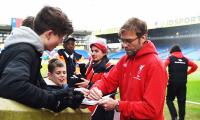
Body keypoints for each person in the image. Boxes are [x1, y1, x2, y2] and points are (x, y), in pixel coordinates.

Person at [0, 6, 85, 112]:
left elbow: (37, 88)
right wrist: (54, 101)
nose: (60, 43)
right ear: (49, 34)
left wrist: (65, 96)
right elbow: (12, 85)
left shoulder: (31, 50)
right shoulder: (24, 50)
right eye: (61, 38)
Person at [87, 17, 168, 120]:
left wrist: (118, 105)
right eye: (123, 40)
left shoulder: (155, 65)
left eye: (129, 41)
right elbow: (107, 81)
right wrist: (97, 89)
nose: (124, 45)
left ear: (143, 37)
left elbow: (152, 110)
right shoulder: (124, 60)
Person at [76, 39, 115, 120]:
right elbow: (86, 78)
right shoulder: (91, 64)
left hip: (103, 108)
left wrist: (89, 84)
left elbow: (111, 90)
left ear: (104, 52)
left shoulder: (110, 67)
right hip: (88, 104)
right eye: (92, 51)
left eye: (96, 51)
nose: (93, 53)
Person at [165, 45, 198, 120]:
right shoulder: (185, 59)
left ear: (172, 52)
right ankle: (181, 118)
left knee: (169, 100)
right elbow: (195, 66)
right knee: (182, 101)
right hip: (183, 84)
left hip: (172, 83)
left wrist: (166, 76)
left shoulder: (170, 58)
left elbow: (162, 66)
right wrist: (187, 73)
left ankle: (174, 116)